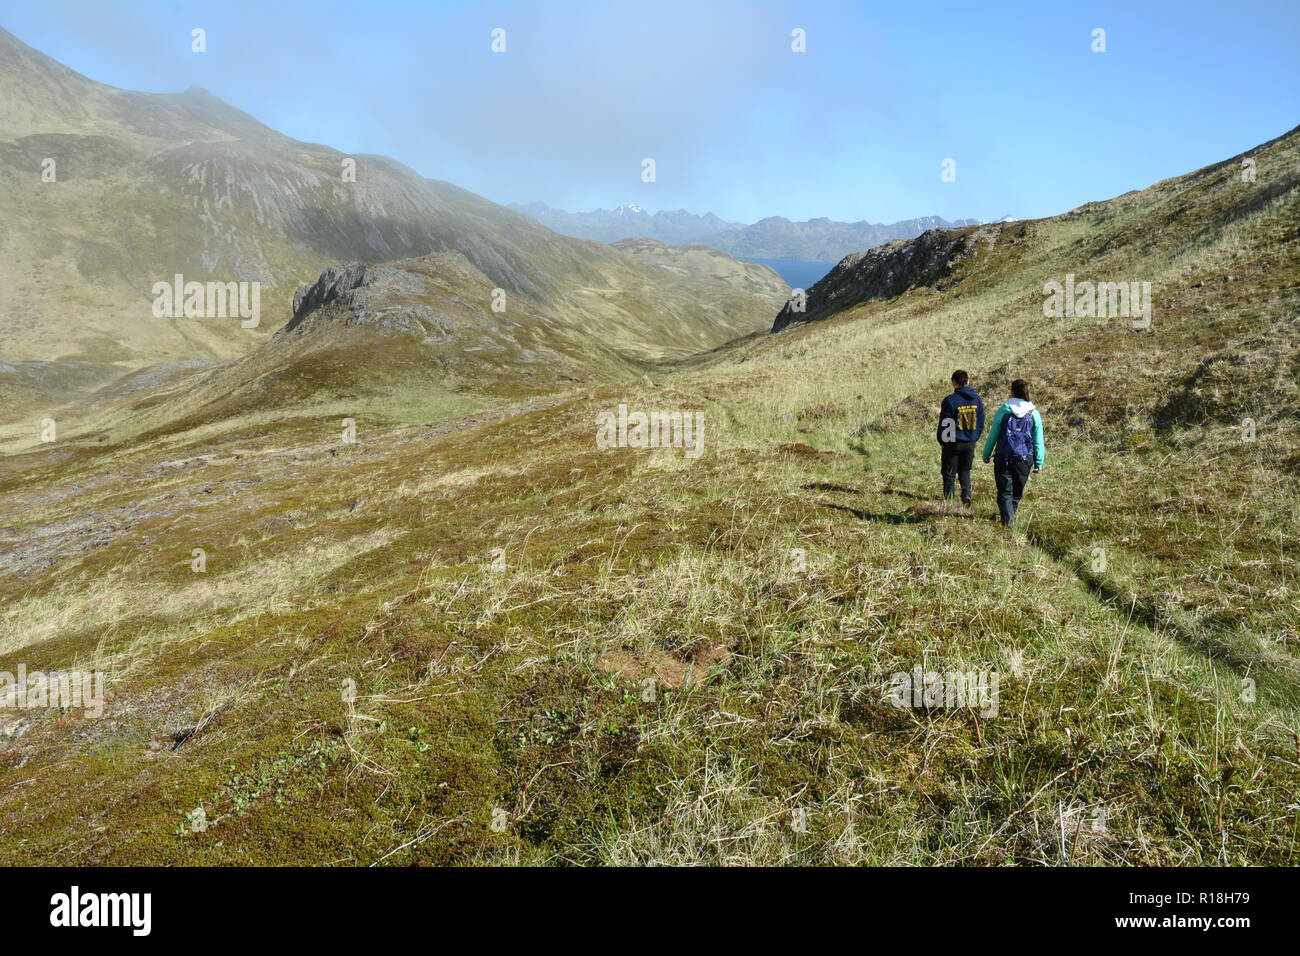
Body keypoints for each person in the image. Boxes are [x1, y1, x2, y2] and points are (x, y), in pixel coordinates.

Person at [981, 379, 1045, 528]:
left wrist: (986, 454)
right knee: (1016, 493)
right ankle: (1009, 520)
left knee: (1004, 493)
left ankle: (1008, 523)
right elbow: (1038, 441)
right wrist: (1038, 463)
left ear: (1012, 392)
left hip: (1003, 456)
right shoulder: (1034, 413)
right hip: (1024, 459)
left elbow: (993, 435)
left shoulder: (1004, 410)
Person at [936, 370, 984, 508]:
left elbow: (945, 423)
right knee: (965, 469)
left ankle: (949, 500)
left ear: (954, 383)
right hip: (970, 442)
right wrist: (975, 436)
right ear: (968, 381)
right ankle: (966, 495)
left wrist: (942, 441)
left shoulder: (950, 400)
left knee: (949, 472)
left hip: (953, 442)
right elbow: (981, 421)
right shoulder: (977, 400)